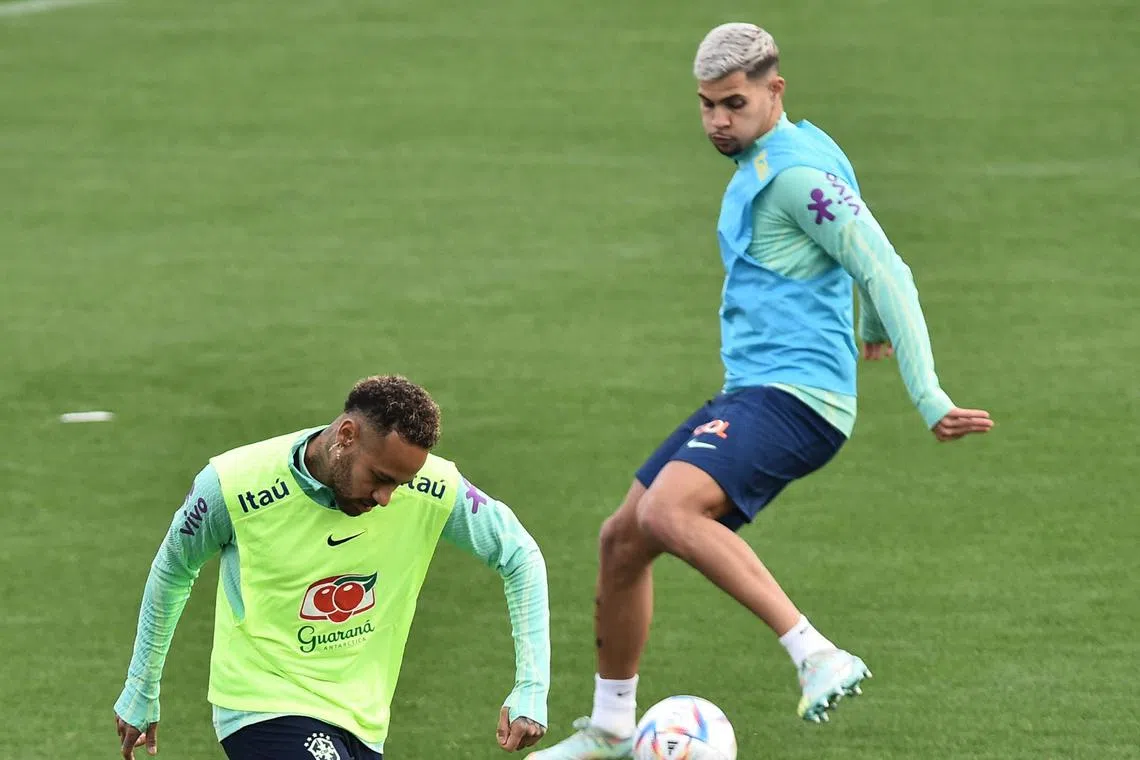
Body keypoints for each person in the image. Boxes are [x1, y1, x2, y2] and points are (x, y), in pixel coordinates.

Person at [530, 21, 993, 758]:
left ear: (774, 90)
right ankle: (613, 729)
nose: (718, 121)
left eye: (733, 104)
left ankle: (817, 654)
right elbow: (860, 244)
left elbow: (886, 266)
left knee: (669, 510)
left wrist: (928, 393)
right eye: (707, 105)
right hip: (750, 390)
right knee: (621, 540)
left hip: (797, 399)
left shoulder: (795, 177)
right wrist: (866, 319)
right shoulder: (803, 147)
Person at [114, 375, 550, 760]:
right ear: (346, 435)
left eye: (400, 484)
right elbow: (173, 569)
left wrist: (532, 686)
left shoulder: (432, 486)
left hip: (364, 718)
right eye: (379, 477)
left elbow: (520, 555)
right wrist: (141, 685)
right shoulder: (233, 486)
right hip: (262, 701)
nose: (386, 498)